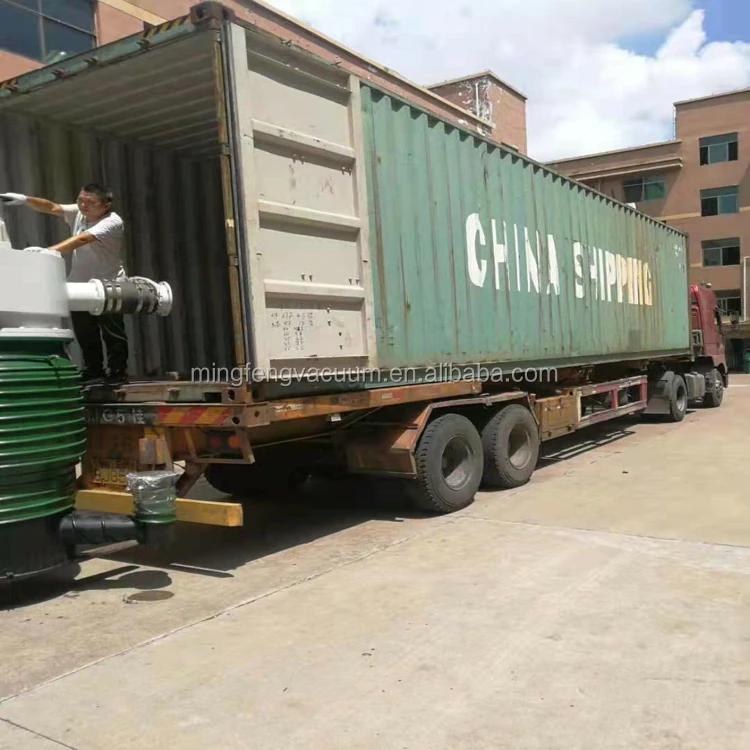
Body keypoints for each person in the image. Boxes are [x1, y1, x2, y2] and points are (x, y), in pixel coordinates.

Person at [0, 184, 128, 384]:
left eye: (90, 202)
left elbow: (82, 239)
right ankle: (94, 371)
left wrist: (49, 251)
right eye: (80, 200)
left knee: (112, 332)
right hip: (80, 284)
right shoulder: (79, 213)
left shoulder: (112, 221)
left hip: (109, 284)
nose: (83, 205)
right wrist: (25, 199)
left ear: (105, 205)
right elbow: (52, 207)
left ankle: (118, 372)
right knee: (85, 333)